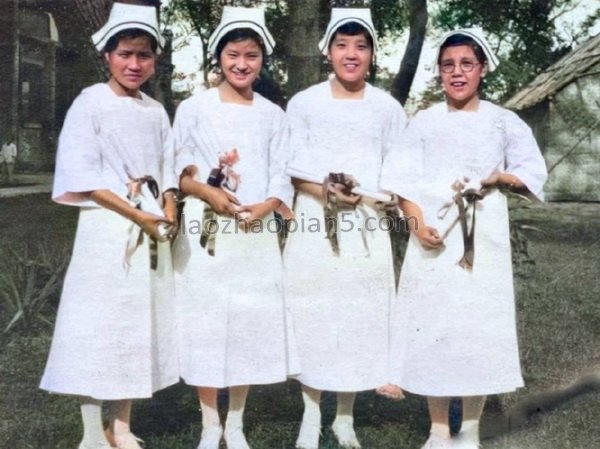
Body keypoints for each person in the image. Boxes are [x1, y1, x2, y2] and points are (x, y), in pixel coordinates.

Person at [380, 28, 548, 449]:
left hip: (482, 237)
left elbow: (532, 172)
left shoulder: (502, 121)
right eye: (448, 65)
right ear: (439, 73)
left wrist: (500, 177)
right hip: (434, 238)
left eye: (466, 64)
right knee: (434, 325)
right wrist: (417, 224)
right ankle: (438, 428)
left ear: (482, 69)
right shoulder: (423, 122)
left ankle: (469, 428)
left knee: (477, 327)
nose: (457, 73)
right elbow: (402, 181)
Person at [39, 4, 179, 449]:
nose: (134, 64)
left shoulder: (156, 111)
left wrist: (169, 208)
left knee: (136, 325)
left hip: (151, 227)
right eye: (125, 54)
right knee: (98, 322)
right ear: (107, 55)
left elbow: (168, 166)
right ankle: (89, 430)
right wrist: (136, 213)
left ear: (154, 58)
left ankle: (121, 423)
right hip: (108, 226)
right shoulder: (90, 103)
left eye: (143, 55)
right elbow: (84, 175)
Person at [171, 7, 296, 449]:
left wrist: (265, 206)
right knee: (206, 321)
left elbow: (283, 173)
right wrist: (208, 193)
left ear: (262, 60)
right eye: (232, 55)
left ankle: (236, 422)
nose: (242, 64)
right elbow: (178, 173)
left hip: (253, 230)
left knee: (246, 321)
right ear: (218, 58)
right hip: (207, 230)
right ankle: (209, 423)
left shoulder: (272, 115)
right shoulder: (193, 108)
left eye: (251, 55)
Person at [284, 8, 408, 449]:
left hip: (366, 227)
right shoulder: (304, 103)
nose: (351, 54)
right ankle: (310, 413)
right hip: (315, 223)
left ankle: (344, 416)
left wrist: (373, 197)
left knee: (358, 316)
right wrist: (324, 191)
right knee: (315, 312)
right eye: (342, 45)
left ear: (372, 54)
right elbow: (290, 172)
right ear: (328, 51)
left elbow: (398, 172)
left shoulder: (387, 108)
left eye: (361, 46)